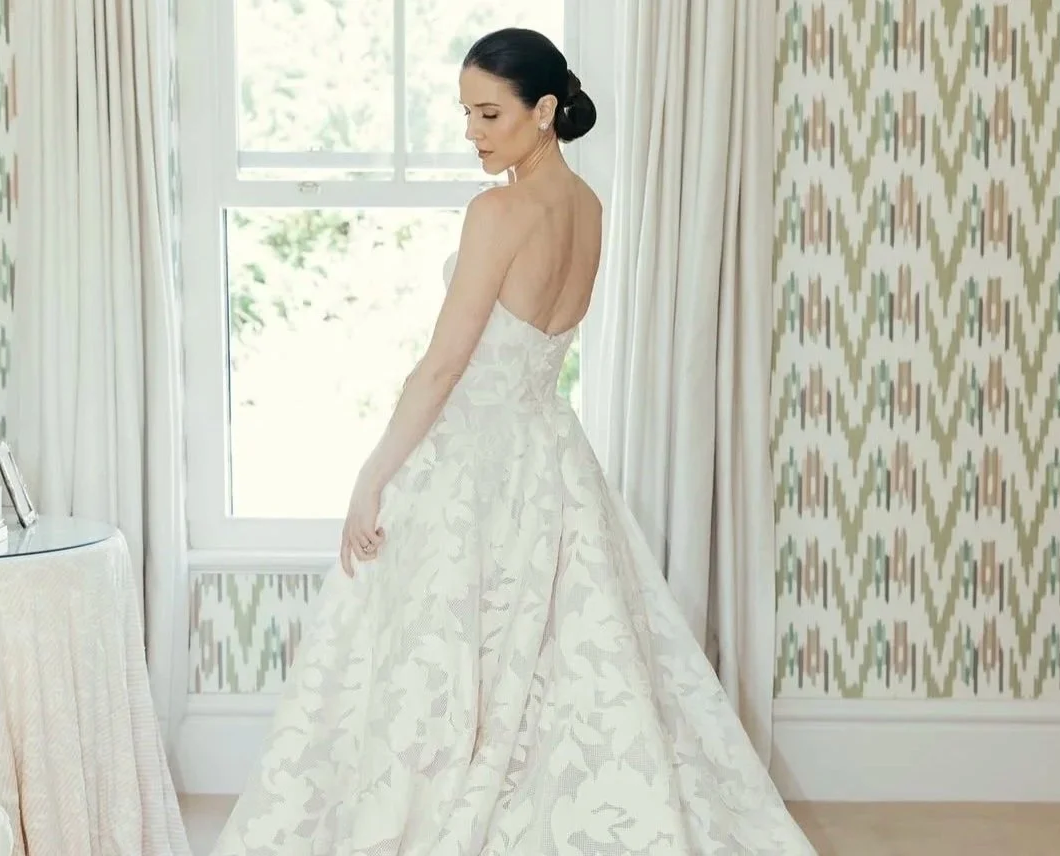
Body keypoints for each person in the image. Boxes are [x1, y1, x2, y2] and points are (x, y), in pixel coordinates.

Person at [212, 27, 816, 856]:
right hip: (553, 458)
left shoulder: (497, 211)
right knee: (554, 673)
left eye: (488, 113)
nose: (472, 132)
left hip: (476, 461)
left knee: (456, 667)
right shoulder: (590, 209)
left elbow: (442, 368)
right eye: (465, 113)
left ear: (543, 111)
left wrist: (371, 475)